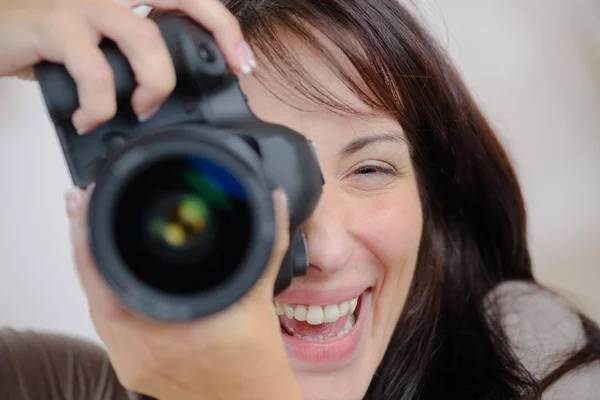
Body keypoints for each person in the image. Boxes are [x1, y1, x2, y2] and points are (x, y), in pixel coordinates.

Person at [0, 0, 599, 399]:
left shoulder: (535, 365)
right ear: (130, 210)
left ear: (432, 198)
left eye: (370, 168)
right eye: (250, 180)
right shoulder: (56, 385)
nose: (329, 249)